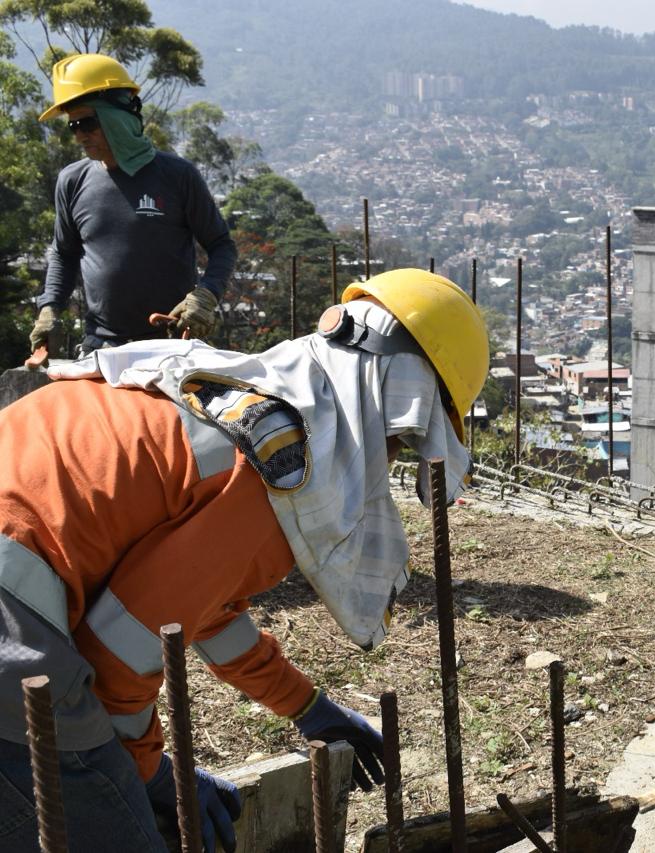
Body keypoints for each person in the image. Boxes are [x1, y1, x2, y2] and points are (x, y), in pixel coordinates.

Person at [0, 268, 489, 852]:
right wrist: (151, 772)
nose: (388, 459)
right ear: (395, 400)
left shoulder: (219, 395)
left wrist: (305, 705)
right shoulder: (278, 469)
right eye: (401, 441)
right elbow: (120, 654)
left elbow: (198, 611)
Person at [27, 53, 237, 362]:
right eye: (73, 126)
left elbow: (222, 246)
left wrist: (205, 296)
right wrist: (49, 309)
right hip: (100, 347)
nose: (79, 135)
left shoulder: (177, 176)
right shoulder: (72, 180)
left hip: (173, 345)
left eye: (86, 122)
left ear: (117, 116)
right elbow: (63, 252)